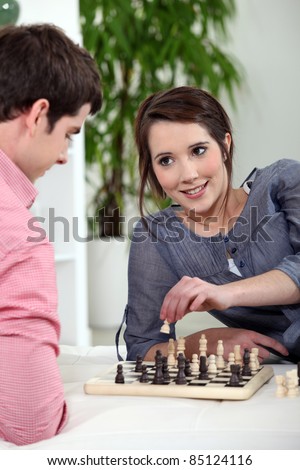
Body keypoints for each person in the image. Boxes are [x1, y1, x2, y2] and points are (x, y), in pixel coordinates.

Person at [121, 86, 300, 365]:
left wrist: (223, 294)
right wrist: (200, 343)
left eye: (199, 150)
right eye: (166, 160)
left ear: (225, 145)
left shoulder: (283, 182)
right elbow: (142, 346)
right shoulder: (156, 236)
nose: (188, 175)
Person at [0, 23, 102, 445]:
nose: (63, 156)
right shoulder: (17, 237)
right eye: (69, 135)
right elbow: (31, 423)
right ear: (39, 114)